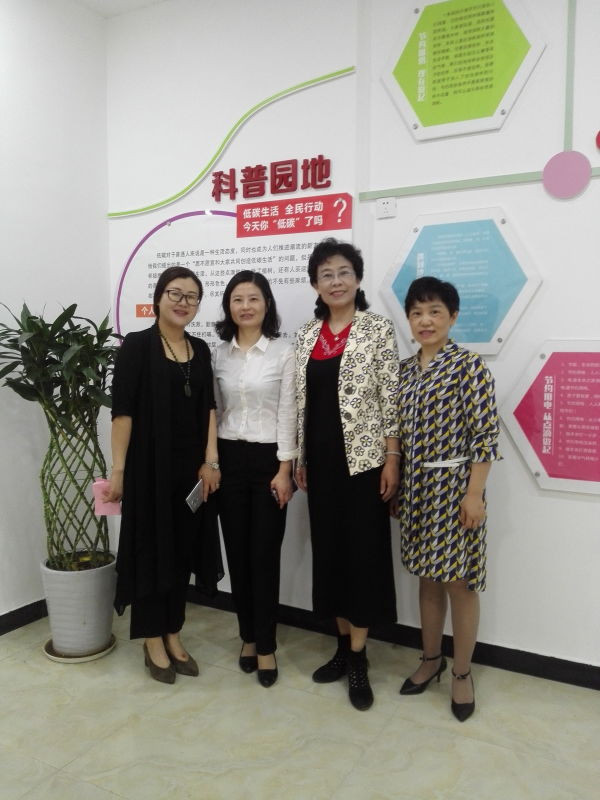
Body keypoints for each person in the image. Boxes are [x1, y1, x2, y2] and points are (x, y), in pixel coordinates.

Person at [295, 237, 400, 711]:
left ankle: (359, 656)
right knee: (330, 556)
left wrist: (393, 458)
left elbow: (390, 398)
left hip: (364, 465)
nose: (335, 281)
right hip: (319, 467)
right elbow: (300, 403)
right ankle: (341, 646)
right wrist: (299, 458)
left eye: (343, 273)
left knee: (363, 558)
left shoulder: (377, 330)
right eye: (326, 274)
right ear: (315, 284)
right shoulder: (306, 335)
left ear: (357, 279)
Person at [105, 266, 223, 684]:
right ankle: (152, 638)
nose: (182, 302)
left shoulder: (200, 349)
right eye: (175, 293)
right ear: (158, 297)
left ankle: (173, 631)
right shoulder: (137, 346)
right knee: (151, 551)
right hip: (147, 470)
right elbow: (123, 413)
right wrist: (118, 469)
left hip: (190, 472)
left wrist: (211, 461)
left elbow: (209, 407)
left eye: (191, 297)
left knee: (182, 551)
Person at [393, 276, 500, 721]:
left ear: (452, 317)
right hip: (416, 492)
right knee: (427, 579)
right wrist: (398, 486)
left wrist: (474, 494)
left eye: (435, 311)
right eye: (417, 313)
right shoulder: (404, 370)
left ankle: (461, 673)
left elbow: (485, 436)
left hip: (456, 492)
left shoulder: (469, 367)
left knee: (460, 583)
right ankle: (430, 659)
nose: (425, 320)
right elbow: (396, 434)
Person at [213, 271, 296, 688]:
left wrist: (285, 470)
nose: (245, 306)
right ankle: (247, 635)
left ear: (267, 304)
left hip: (269, 462)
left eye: (253, 298)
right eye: (237, 299)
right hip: (229, 459)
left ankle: (266, 644)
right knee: (238, 554)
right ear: (229, 307)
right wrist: (212, 462)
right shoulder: (219, 355)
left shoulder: (283, 351)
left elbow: (288, 412)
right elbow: (214, 412)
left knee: (264, 556)